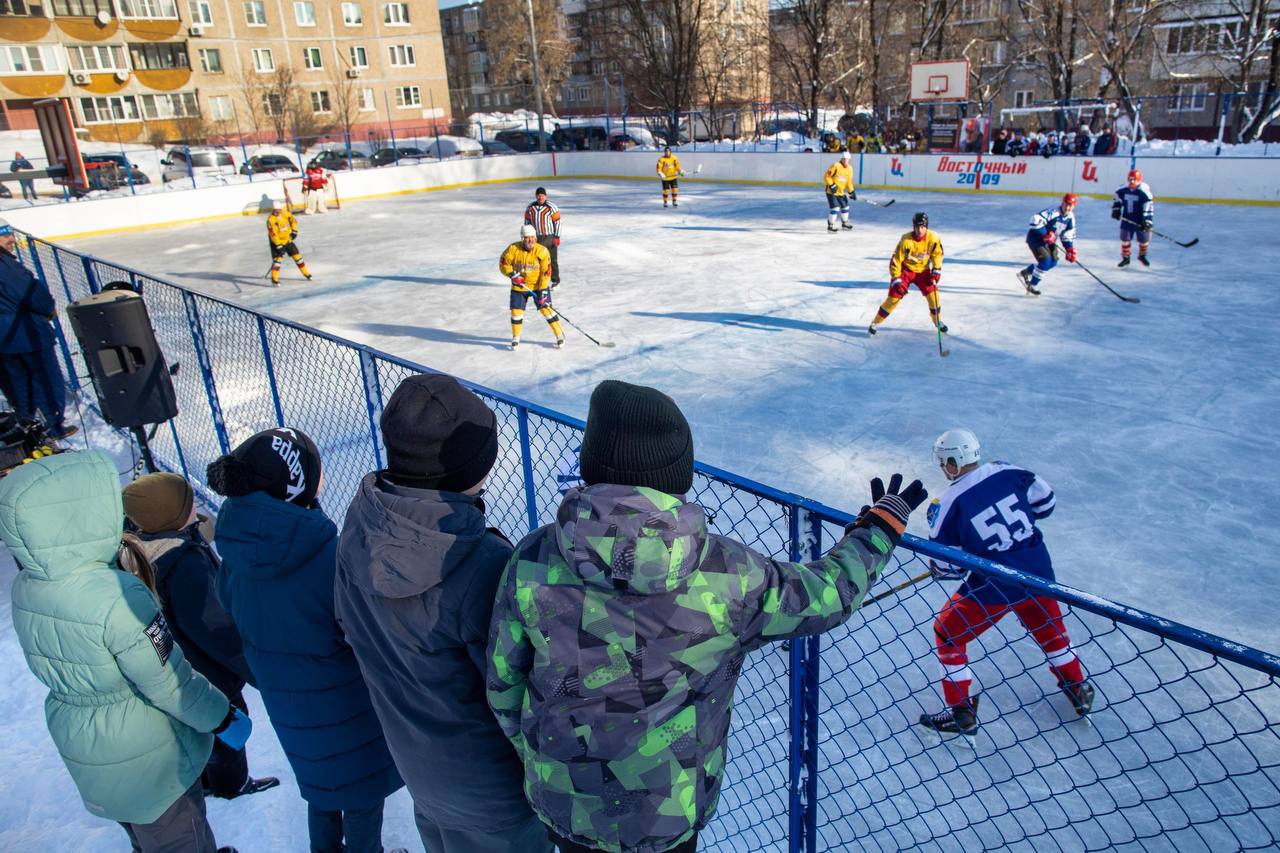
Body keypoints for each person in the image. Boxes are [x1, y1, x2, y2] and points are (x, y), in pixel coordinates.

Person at [487, 379, 928, 853]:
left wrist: (536, 755)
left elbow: (503, 682)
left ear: (590, 464)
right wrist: (876, 532)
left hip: (564, 797)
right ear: (679, 474)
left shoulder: (533, 557)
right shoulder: (731, 575)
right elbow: (826, 597)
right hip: (666, 812)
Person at [335, 374, 552, 853]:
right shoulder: (480, 565)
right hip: (494, 795)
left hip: (419, 770)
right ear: (472, 467)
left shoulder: (361, 525)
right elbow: (523, 693)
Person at [2, 451, 248, 853]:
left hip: (88, 745)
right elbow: (168, 681)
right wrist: (221, 717)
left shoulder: (29, 586)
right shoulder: (114, 594)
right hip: (147, 753)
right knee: (178, 833)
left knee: (141, 830)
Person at [209, 428, 406, 853]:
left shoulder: (237, 556)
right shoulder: (329, 557)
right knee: (361, 798)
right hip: (347, 709)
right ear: (295, 485)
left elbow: (231, 606)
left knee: (321, 789)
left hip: (290, 708)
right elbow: (362, 633)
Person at [920, 429, 1094, 743]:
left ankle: (961, 711)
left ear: (951, 463)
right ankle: (1077, 687)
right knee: (1049, 629)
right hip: (1038, 572)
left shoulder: (945, 504)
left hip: (994, 586)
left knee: (947, 633)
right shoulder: (1008, 470)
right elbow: (1045, 504)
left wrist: (954, 558)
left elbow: (950, 569)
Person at [119, 472, 279, 802]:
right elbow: (214, 627)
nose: (196, 508)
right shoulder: (182, 563)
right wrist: (258, 669)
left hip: (180, 665)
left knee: (198, 725)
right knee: (228, 725)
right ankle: (231, 785)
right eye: (189, 503)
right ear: (170, 515)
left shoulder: (145, 545)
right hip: (209, 670)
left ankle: (205, 779)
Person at [0, 217, 71, 439]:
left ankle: (28, 424)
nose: (12, 239)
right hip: (26, 335)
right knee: (44, 381)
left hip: (6, 339)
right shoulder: (7, 267)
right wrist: (48, 309)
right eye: (5, 234)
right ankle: (49, 428)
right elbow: (36, 297)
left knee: (19, 384)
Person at [869, 211, 945, 336]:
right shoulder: (906, 240)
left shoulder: (934, 238)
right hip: (906, 271)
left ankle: (937, 321)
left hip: (924, 272)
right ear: (913, 226)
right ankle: (875, 322)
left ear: (926, 226)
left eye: (923, 227)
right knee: (893, 299)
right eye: (917, 227)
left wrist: (936, 269)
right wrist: (896, 279)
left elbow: (937, 254)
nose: (920, 230)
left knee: (934, 297)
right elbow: (896, 261)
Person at [500, 223, 564, 350]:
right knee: (516, 312)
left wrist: (543, 292)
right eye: (527, 237)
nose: (530, 240)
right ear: (522, 238)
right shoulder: (513, 248)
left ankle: (559, 334)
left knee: (546, 310)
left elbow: (546, 273)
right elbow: (503, 263)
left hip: (538, 286)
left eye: (532, 237)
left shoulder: (542, 251)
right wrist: (512, 275)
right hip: (519, 287)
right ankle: (516, 338)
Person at [1017, 193, 1077, 296]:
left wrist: (1069, 250)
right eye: (1066, 204)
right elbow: (1034, 219)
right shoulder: (1053, 212)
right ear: (1062, 202)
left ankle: (1026, 272)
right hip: (1036, 239)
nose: (1067, 207)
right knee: (1046, 262)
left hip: (1049, 242)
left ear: (1074, 206)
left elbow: (1067, 235)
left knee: (1053, 262)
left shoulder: (1070, 218)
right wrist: (1045, 233)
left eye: (1070, 205)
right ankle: (1032, 285)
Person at [1112, 168, 1154, 268]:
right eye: (1130, 179)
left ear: (1139, 180)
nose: (1131, 181)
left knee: (1144, 240)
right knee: (1125, 238)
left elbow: (1148, 207)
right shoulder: (1122, 189)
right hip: (1127, 218)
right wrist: (1116, 209)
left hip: (1140, 220)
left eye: (1134, 179)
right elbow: (1117, 198)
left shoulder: (1144, 192)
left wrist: (1147, 221)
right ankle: (1126, 258)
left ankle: (1142, 256)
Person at [523, 186, 562, 288]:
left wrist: (557, 237)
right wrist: (527, 236)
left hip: (550, 237)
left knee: (552, 260)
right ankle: (538, 280)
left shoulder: (551, 207)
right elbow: (527, 223)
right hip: (536, 239)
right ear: (536, 196)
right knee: (537, 260)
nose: (540, 198)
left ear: (546, 196)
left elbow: (557, 222)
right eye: (539, 196)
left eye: (542, 196)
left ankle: (555, 280)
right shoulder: (530, 207)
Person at [266, 199, 311, 285]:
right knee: (277, 261)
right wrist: (279, 245)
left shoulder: (286, 214)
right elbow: (273, 234)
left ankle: (306, 273)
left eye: (279, 210)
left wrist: (294, 231)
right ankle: (274, 278)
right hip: (276, 242)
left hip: (288, 240)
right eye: (276, 210)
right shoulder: (271, 220)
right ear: (273, 210)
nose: (278, 212)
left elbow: (293, 221)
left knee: (298, 257)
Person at [823, 150, 856, 233]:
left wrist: (851, 191)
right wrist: (831, 184)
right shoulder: (836, 165)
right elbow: (827, 176)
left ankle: (844, 223)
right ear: (841, 158)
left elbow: (849, 181)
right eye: (843, 159)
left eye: (847, 159)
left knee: (845, 207)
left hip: (841, 192)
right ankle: (830, 226)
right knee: (835, 208)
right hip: (832, 192)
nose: (845, 161)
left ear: (849, 160)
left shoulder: (850, 169)